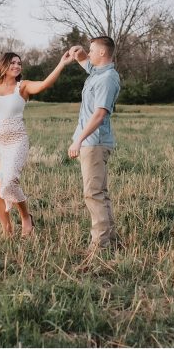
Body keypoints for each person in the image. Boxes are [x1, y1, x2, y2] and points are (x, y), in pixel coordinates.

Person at [0, 50, 74, 237]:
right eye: (13, 63)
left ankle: (25, 217)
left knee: (8, 183)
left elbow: (45, 83)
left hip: (16, 142)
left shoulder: (23, 87)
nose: (17, 66)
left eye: (19, 64)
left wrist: (61, 64)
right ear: (3, 65)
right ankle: (7, 230)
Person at [67, 37, 122, 250]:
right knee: (100, 192)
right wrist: (79, 53)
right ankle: (111, 240)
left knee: (93, 194)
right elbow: (86, 63)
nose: (89, 54)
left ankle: (100, 245)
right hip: (92, 142)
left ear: (102, 53)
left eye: (91, 50)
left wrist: (78, 140)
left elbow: (99, 115)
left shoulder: (107, 79)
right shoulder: (98, 73)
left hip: (94, 143)